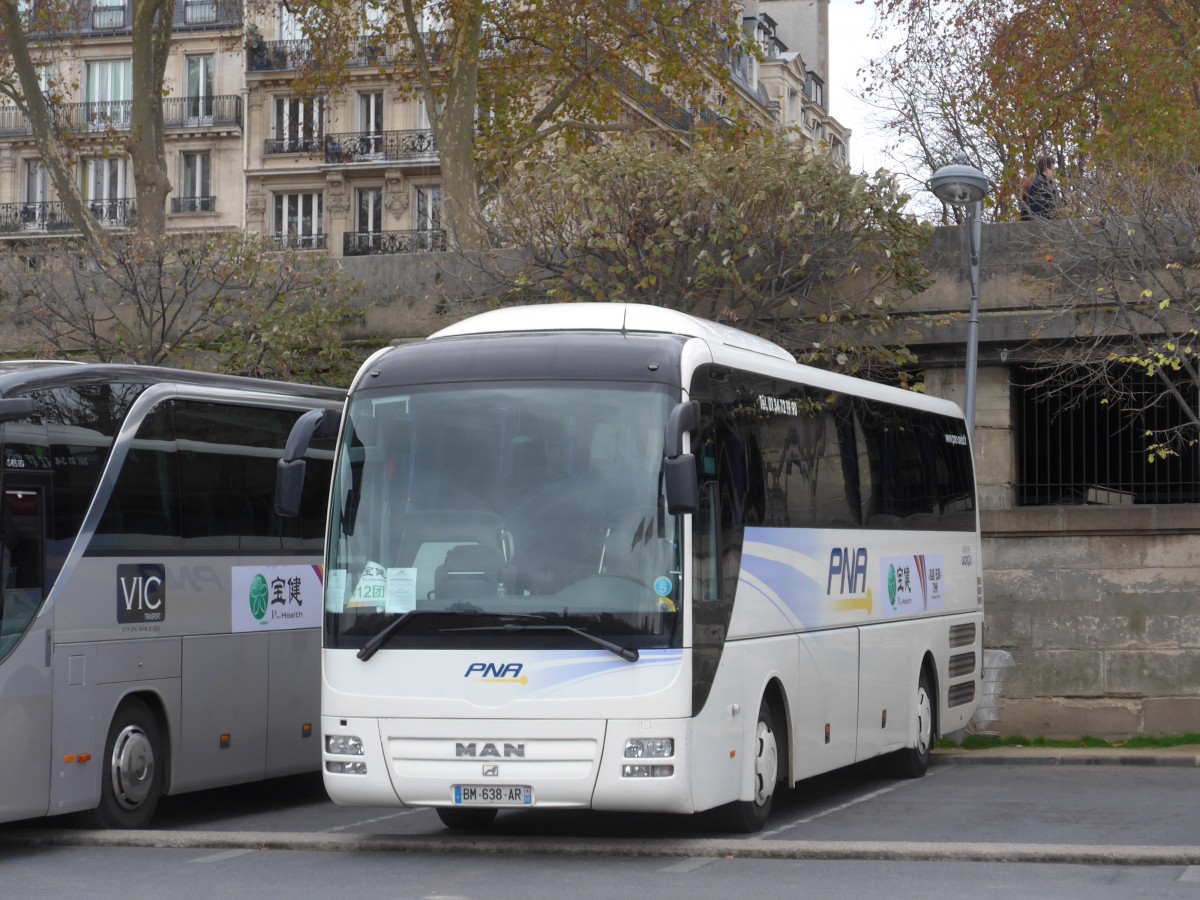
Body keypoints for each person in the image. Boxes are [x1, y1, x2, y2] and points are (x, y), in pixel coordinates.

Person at [1020, 155, 1061, 220]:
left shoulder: (1047, 185)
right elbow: (1038, 211)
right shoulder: (1038, 186)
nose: (1055, 173)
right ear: (1046, 171)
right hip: (1035, 226)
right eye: (1054, 170)